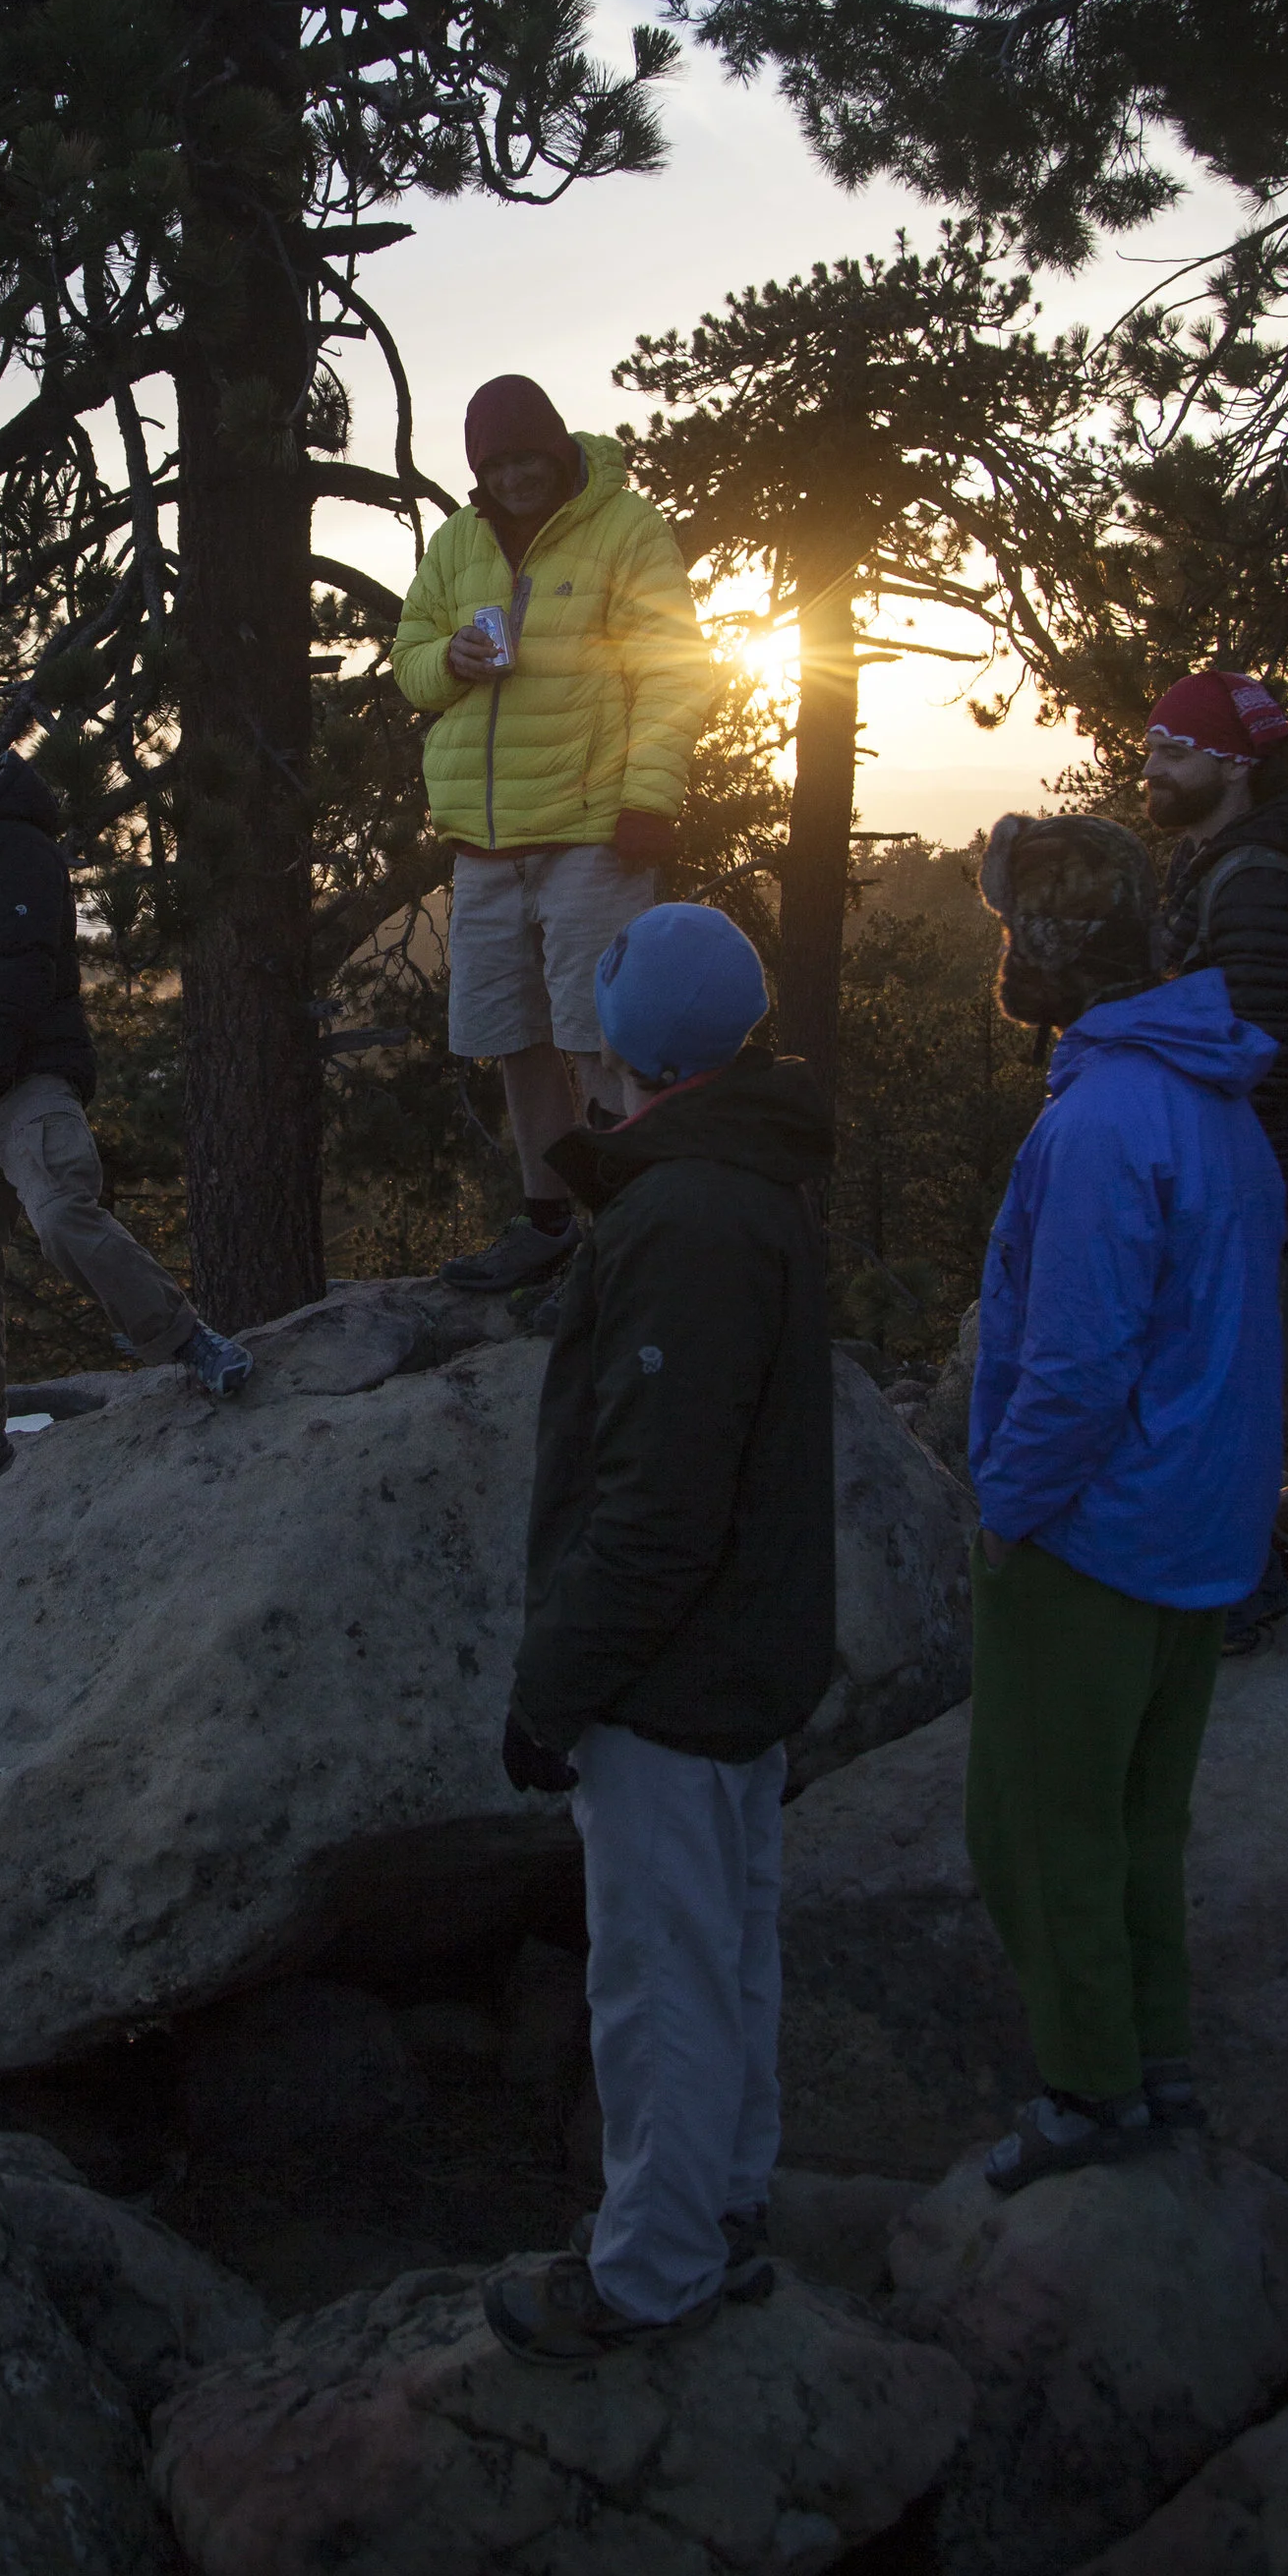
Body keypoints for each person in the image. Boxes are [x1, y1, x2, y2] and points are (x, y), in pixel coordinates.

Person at [481, 901, 835, 2362]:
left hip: (672, 1675)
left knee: (657, 1979)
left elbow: (655, 1508)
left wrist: (551, 1687)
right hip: (738, 1656)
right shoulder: (737, 1178)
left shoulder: (685, 1216)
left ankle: (655, 2268)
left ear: (631, 1043)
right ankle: (724, 2207)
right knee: (729, 1949)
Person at [966, 814, 1284, 2192]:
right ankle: (1157, 2069)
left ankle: (1090, 2093)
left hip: (1096, 1530)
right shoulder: (1212, 1095)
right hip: (1200, 1526)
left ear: (1045, 949)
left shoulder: (1099, 1120)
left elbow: (1078, 1363)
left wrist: (1008, 1507)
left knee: (1041, 1827)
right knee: (1141, 1823)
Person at [0, 707, 252, 1504]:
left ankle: (188, 1341)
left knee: (65, 1217)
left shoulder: (12, 851)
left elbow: (19, 979)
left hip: (23, 1081)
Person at [391, 373, 712, 1293]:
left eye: (526, 456)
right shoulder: (456, 543)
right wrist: (444, 660)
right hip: (483, 843)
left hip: (590, 832)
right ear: (479, 471)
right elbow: (409, 657)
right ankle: (547, 1225)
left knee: (600, 1037)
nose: (515, 475)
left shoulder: (625, 527)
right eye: (495, 463)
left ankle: (626, 1232)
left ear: (559, 448)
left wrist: (650, 799)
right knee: (515, 1035)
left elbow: (676, 669)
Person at [1142, 667, 1288, 1642]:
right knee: (1211, 1393)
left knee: (1227, 1399)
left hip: (1245, 1188)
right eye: (1151, 746)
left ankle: (1240, 1595)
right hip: (1225, 1183)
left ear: (1232, 769)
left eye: (1173, 751)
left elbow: (1258, 1052)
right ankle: (1226, 1585)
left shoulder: (1255, 884)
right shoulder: (1216, 866)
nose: (1152, 766)